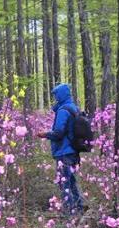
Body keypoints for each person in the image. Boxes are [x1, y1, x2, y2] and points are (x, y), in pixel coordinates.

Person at [36, 83, 85, 216]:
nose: (55, 98)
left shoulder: (63, 110)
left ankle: (70, 213)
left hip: (64, 152)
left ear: (61, 95)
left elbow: (58, 133)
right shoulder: (73, 108)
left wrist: (45, 134)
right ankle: (79, 207)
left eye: (56, 95)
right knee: (72, 181)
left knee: (64, 183)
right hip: (73, 151)